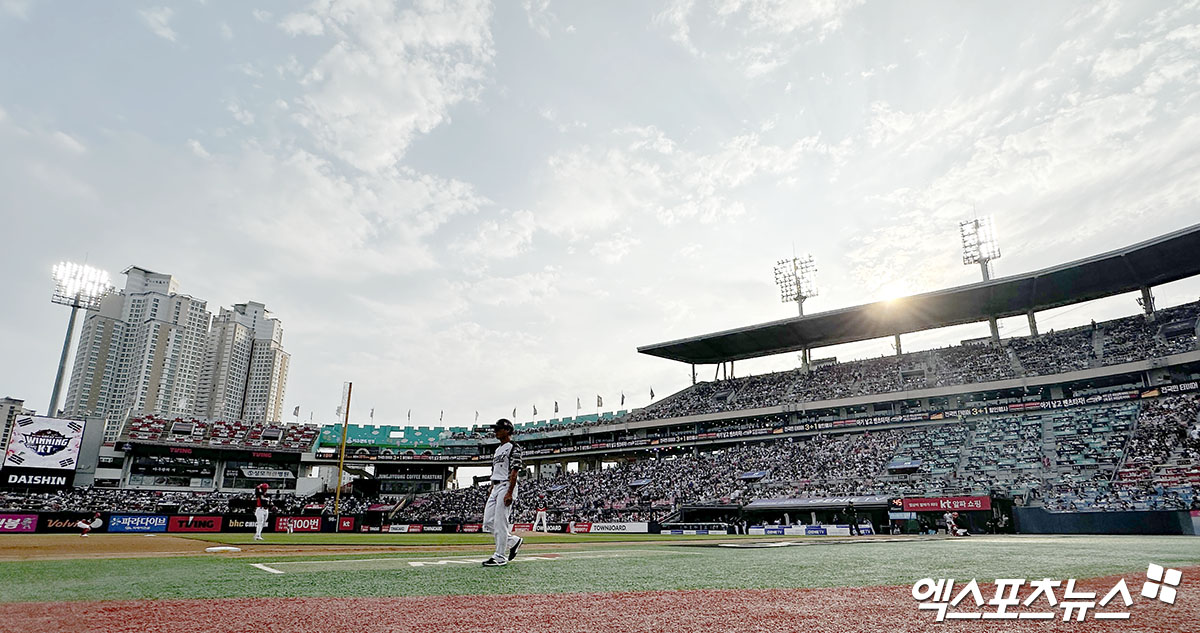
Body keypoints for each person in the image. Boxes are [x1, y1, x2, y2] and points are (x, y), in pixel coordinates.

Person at [482, 419, 524, 567]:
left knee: (501, 522)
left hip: (506, 485)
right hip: (496, 486)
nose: (496, 431)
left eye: (498, 429)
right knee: (487, 523)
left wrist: (509, 492)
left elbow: (514, 471)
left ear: (507, 431)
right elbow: (495, 470)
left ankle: (500, 556)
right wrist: (491, 487)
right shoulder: (498, 449)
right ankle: (513, 541)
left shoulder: (514, 447)